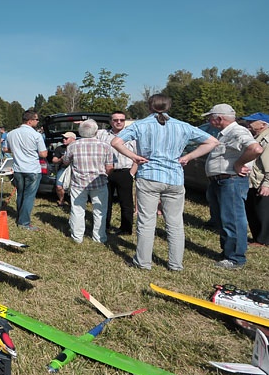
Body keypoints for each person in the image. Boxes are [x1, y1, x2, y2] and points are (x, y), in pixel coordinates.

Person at [112, 94, 218, 271]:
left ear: (149, 107)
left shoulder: (141, 125)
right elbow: (212, 141)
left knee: (146, 221)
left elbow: (116, 142)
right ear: (169, 107)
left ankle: (143, 262)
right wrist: (188, 157)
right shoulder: (183, 126)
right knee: (175, 223)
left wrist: (134, 157)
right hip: (175, 177)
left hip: (149, 176)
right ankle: (175, 264)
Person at [203, 104, 263, 270]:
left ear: (219, 118)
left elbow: (256, 148)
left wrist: (239, 163)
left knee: (233, 219)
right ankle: (228, 252)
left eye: (210, 117)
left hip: (231, 181)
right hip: (220, 181)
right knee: (223, 218)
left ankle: (236, 258)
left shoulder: (237, 131)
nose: (209, 120)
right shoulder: (225, 134)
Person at [63, 120, 113, 244]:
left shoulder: (73, 146)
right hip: (99, 182)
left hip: (78, 183)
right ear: (96, 131)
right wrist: (106, 175)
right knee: (100, 210)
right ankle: (99, 237)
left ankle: (77, 237)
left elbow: (65, 161)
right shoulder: (105, 146)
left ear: (80, 131)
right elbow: (110, 167)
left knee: (77, 210)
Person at [4, 110, 48, 230]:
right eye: (36, 120)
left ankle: (20, 217)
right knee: (29, 196)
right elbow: (43, 154)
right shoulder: (36, 135)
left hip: (18, 169)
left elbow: (6, 149)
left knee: (21, 194)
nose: (38, 122)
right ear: (30, 121)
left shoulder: (11, 134)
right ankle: (24, 223)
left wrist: (17, 150)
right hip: (32, 169)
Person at [97, 111, 137, 235]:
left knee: (126, 203)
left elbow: (138, 156)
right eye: (115, 120)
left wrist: (131, 173)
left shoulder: (131, 137)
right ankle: (104, 226)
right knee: (105, 201)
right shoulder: (103, 135)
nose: (119, 122)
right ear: (110, 121)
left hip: (125, 172)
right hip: (106, 172)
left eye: (122, 120)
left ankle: (126, 228)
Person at [242, 112, 269, 247]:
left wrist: (267, 184)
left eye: (251, 122)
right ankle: (257, 237)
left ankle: (263, 240)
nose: (248, 124)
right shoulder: (257, 137)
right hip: (253, 181)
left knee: (262, 211)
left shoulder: (267, 139)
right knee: (252, 209)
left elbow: (268, 164)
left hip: (262, 182)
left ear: (263, 124)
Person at [50, 132, 76, 206]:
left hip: (76, 169)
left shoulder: (78, 147)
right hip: (63, 168)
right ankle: (61, 200)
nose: (64, 139)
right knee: (58, 186)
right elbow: (54, 160)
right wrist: (60, 160)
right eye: (63, 138)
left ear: (73, 139)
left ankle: (74, 202)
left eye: (66, 138)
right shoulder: (59, 148)